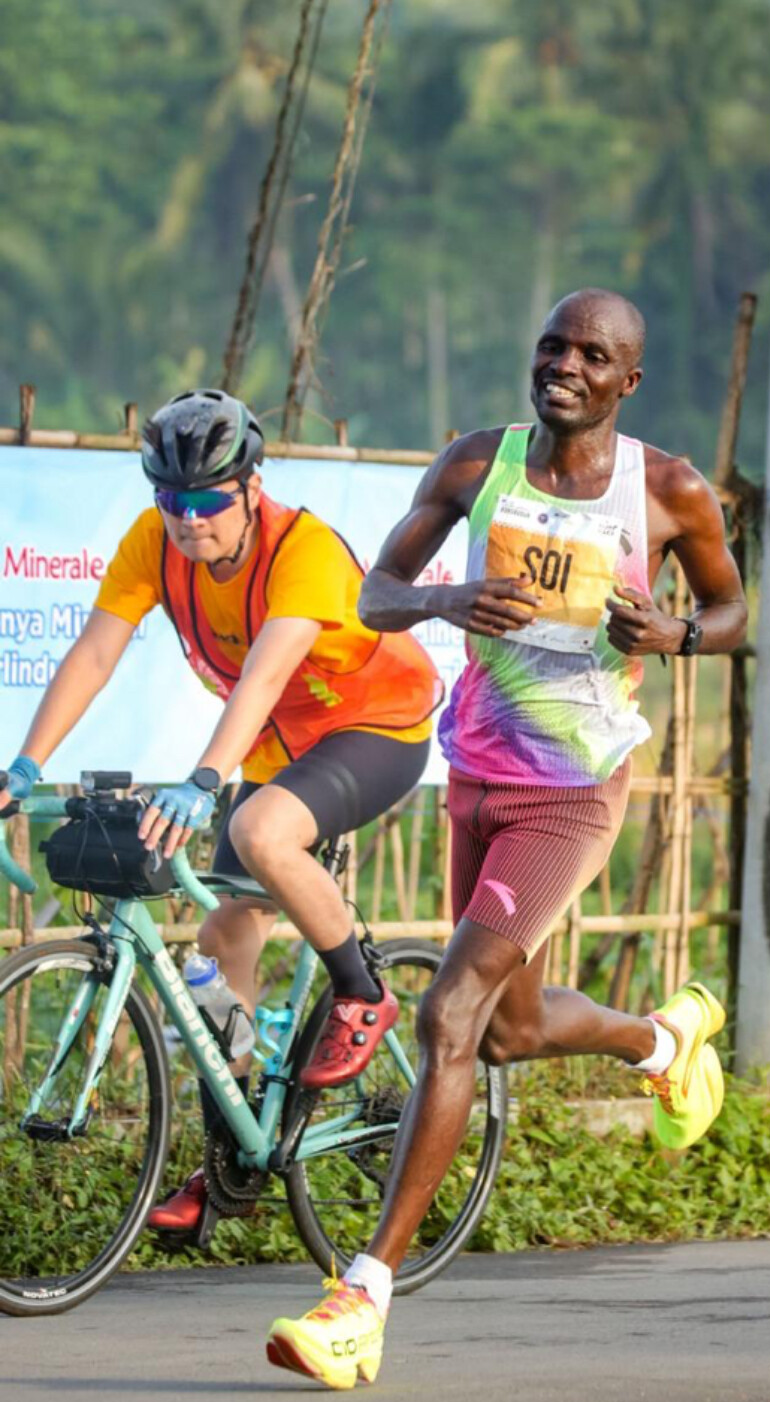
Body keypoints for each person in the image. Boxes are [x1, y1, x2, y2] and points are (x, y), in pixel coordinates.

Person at [266, 289, 749, 1389]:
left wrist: (674, 631)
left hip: (573, 792)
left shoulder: (668, 489)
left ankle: (362, 1300)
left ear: (628, 381)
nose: (565, 366)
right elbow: (374, 594)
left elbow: (734, 612)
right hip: (477, 774)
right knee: (506, 1032)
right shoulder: (477, 464)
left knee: (450, 1011)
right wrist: (447, 602)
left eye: (593, 355)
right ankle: (662, 1044)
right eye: (552, 346)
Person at [0, 388, 441, 1243]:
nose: (188, 519)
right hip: (281, 749)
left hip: (374, 725)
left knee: (259, 830)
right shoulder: (154, 542)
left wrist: (204, 778)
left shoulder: (302, 550)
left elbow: (265, 675)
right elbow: (95, 650)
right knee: (218, 944)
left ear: (251, 488)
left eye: (207, 501)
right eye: (172, 499)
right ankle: (232, 1159)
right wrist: (25, 762)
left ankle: (363, 993)